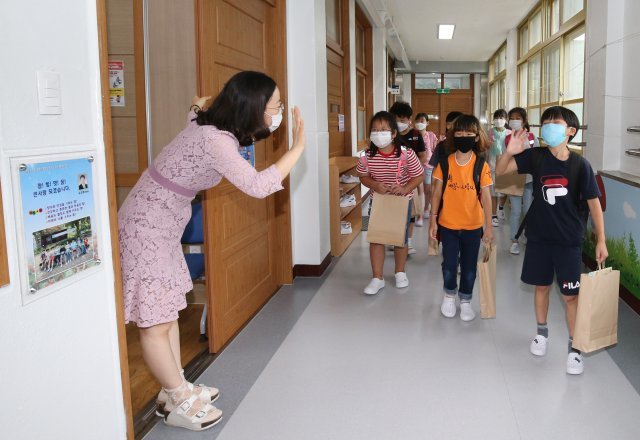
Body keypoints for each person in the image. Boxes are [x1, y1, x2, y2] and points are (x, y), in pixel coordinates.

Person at [118, 71, 306, 431]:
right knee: (155, 322)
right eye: (275, 106)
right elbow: (257, 185)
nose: (279, 112)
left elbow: (197, 108)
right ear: (251, 108)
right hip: (147, 226)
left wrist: (198, 101)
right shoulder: (215, 140)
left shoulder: (207, 125)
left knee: (168, 312)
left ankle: (172, 389)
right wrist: (296, 148)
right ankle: (179, 397)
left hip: (161, 223)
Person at [496, 105, 608, 375]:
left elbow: (594, 204)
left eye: (554, 122)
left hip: (569, 241)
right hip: (539, 238)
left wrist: (601, 240)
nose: (548, 126)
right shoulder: (537, 156)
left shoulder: (581, 165)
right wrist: (509, 152)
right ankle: (541, 334)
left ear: (570, 130)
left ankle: (574, 347)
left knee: (571, 296)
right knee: (541, 287)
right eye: (545, 122)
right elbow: (501, 173)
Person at [429, 114, 493, 321]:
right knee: (448, 264)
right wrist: (433, 221)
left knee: (468, 266)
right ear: (453, 136)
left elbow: (486, 196)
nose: (464, 137)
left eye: (469, 134)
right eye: (459, 133)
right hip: (447, 225)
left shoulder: (481, 165)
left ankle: (465, 300)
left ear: (476, 137)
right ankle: (449, 295)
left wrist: (489, 227)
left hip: (473, 226)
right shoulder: (445, 163)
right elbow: (436, 194)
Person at [357, 111, 424, 295]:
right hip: (378, 202)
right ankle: (377, 278)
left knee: (399, 239)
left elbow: (418, 175)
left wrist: (405, 188)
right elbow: (363, 176)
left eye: (384, 130)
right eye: (375, 130)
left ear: (394, 133)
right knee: (376, 239)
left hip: (402, 201)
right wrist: (374, 184)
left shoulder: (406, 154)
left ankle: (400, 272)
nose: (379, 133)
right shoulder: (366, 156)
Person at [389, 102, 426, 254]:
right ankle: (394, 239)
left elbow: (423, 157)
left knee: (410, 214)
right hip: (391, 181)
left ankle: (408, 242)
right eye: (396, 119)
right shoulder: (389, 135)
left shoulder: (416, 136)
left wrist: (412, 171)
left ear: (409, 120)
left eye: (403, 120)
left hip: (410, 181)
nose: (399, 123)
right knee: (393, 212)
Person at [504, 107, 539, 254]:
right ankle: (514, 239)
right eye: (512, 118)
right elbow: (504, 160)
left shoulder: (532, 137)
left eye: (518, 118)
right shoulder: (507, 138)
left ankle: (527, 234)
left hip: (529, 179)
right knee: (516, 211)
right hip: (514, 178)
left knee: (528, 209)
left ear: (524, 121)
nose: (515, 121)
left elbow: (538, 158)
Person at [488, 109, 510, 227]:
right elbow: (484, 148)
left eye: (501, 118)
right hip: (492, 165)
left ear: (506, 120)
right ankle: (493, 215)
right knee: (493, 192)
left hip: (506, 166)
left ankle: (501, 208)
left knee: (505, 191)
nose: (498, 120)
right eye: (496, 118)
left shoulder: (509, 133)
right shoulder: (489, 132)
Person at [415, 112, 438, 224]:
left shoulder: (431, 135)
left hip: (428, 166)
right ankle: (418, 214)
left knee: (427, 189)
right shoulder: (413, 135)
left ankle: (426, 209)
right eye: (418, 121)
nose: (420, 123)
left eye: (422, 121)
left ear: (427, 123)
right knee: (418, 190)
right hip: (416, 166)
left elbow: (434, 149)